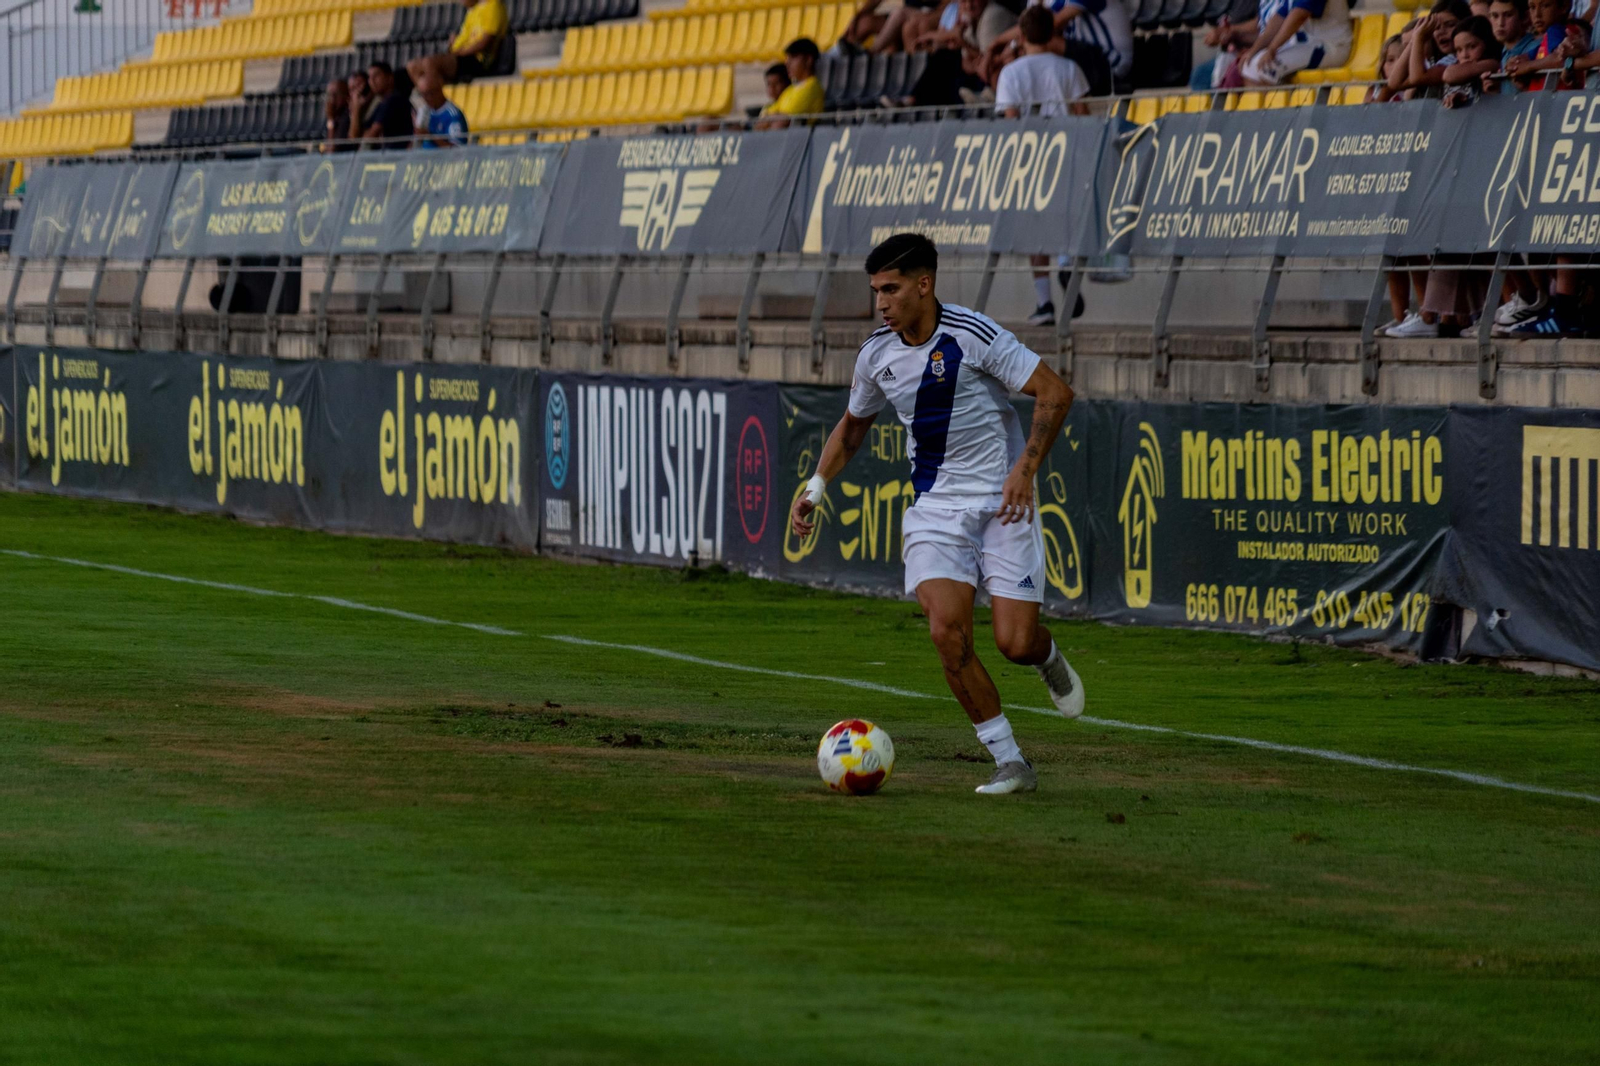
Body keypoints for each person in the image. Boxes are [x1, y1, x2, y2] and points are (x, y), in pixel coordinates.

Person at [788, 233, 1085, 796]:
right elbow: (853, 427)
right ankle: (1011, 761)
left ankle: (1045, 656)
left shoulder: (974, 335)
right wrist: (817, 485)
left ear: (924, 285)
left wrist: (1024, 468)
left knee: (1013, 644)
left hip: (1003, 505)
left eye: (891, 289)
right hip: (936, 512)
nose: (881, 302)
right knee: (947, 632)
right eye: (876, 290)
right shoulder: (876, 354)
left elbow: (1054, 393)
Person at [997, 5, 1091, 326]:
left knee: (1034, 232)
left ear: (1021, 37)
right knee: (1064, 220)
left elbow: (1011, 123)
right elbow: (1081, 115)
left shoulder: (1011, 74)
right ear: (1053, 33)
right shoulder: (1068, 68)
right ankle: (1066, 263)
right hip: (1067, 153)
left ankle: (1044, 302)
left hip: (1030, 160)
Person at [1239, 0, 1352, 85]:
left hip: (1331, 45)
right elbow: (1280, 17)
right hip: (1309, 42)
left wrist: (1272, 48)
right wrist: (1253, 51)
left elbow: (1300, 14)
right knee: (1249, 65)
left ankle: (1272, 114)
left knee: (1262, 68)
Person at [407, 0, 508, 87]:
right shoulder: (474, 10)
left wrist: (460, 52)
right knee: (412, 66)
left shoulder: (493, 7)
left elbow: (484, 42)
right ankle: (428, 96)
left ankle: (437, 99)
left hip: (477, 60)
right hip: (462, 56)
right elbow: (463, 39)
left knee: (429, 63)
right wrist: (454, 43)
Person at [757, 38, 825, 128]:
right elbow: (765, 116)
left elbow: (784, 121)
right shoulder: (790, 89)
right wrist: (772, 118)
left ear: (808, 60)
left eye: (793, 57)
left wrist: (770, 119)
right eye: (787, 58)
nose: (787, 63)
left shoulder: (812, 88)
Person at [361, 61, 415, 147]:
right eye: (369, 77)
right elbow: (361, 133)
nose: (372, 81)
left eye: (376, 76)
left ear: (390, 78)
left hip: (398, 155)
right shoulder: (381, 103)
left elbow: (369, 136)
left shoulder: (393, 100)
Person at [414, 72, 469, 148]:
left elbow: (457, 149)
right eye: (423, 95)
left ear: (439, 90)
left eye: (429, 93)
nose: (426, 98)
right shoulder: (424, 111)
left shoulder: (453, 115)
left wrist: (430, 136)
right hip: (424, 158)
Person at [322, 78, 352, 153]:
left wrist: (330, 120)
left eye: (336, 94)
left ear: (346, 95)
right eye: (329, 95)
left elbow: (332, 152)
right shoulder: (335, 115)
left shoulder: (347, 117)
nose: (332, 99)